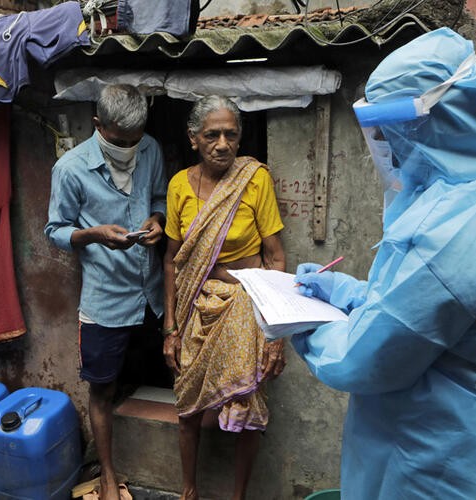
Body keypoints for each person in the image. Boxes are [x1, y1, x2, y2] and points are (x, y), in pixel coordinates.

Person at [292, 28, 476, 499]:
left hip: (441, 455)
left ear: (432, 121)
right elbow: (438, 318)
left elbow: (366, 359)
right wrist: (348, 292)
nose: (389, 145)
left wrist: (304, 325)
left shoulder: (454, 227)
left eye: (393, 130)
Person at [44, 83, 167, 500]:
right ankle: (109, 475)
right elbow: (55, 230)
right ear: (98, 125)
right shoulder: (71, 169)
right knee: (103, 388)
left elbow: (161, 198)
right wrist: (94, 234)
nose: (129, 148)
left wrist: (157, 220)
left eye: (134, 140)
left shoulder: (150, 150)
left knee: (158, 371)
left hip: (152, 294)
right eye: (119, 141)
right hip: (105, 301)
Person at [163, 95, 287, 500]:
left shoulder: (255, 180)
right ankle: (188, 490)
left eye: (231, 134)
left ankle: (238, 497)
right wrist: (171, 327)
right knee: (187, 408)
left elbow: (275, 257)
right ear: (193, 138)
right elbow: (172, 262)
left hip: (244, 302)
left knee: (247, 410)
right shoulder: (179, 185)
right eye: (211, 135)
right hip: (195, 306)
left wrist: (276, 333)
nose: (222, 143)